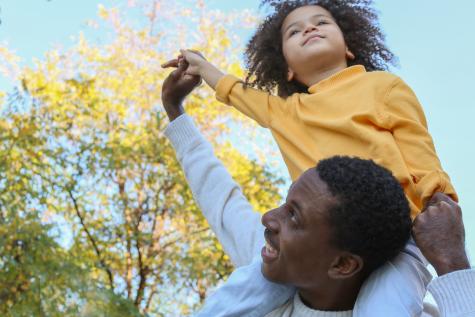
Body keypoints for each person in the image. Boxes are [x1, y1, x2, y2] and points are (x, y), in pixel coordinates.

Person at [162, 0, 457, 315]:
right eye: (295, 31)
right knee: (236, 295)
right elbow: (237, 93)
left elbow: (418, 147)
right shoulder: (287, 112)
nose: (310, 29)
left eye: (322, 22)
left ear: (349, 48)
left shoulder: (382, 87)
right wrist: (201, 67)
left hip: (398, 240)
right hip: (312, 242)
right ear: (287, 66)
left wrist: (440, 201)